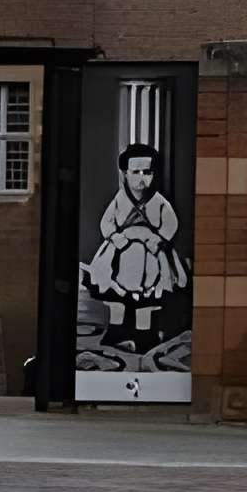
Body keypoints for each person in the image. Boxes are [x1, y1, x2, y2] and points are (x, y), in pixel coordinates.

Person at [82, 140, 188, 362]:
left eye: (147, 172)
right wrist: (115, 237)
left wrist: (159, 240)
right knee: (118, 299)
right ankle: (116, 332)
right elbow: (106, 223)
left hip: (151, 257)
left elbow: (171, 224)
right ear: (124, 173)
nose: (141, 178)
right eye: (135, 172)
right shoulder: (119, 200)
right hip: (121, 257)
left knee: (146, 300)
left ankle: (144, 335)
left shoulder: (159, 202)